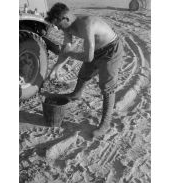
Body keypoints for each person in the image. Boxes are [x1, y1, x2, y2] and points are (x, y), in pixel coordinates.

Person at [45, 3, 123, 138]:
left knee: (107, 87)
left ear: (66, 19)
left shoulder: (87, 25)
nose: (57, 28)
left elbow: (87, 57)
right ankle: (76, 94)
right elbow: (66, 50)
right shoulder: (67, 27)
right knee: (84, 74)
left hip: (111, 51)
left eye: (57, 24)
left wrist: (71, 53)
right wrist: (56, 68)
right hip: (95, 51)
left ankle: (105, 124)